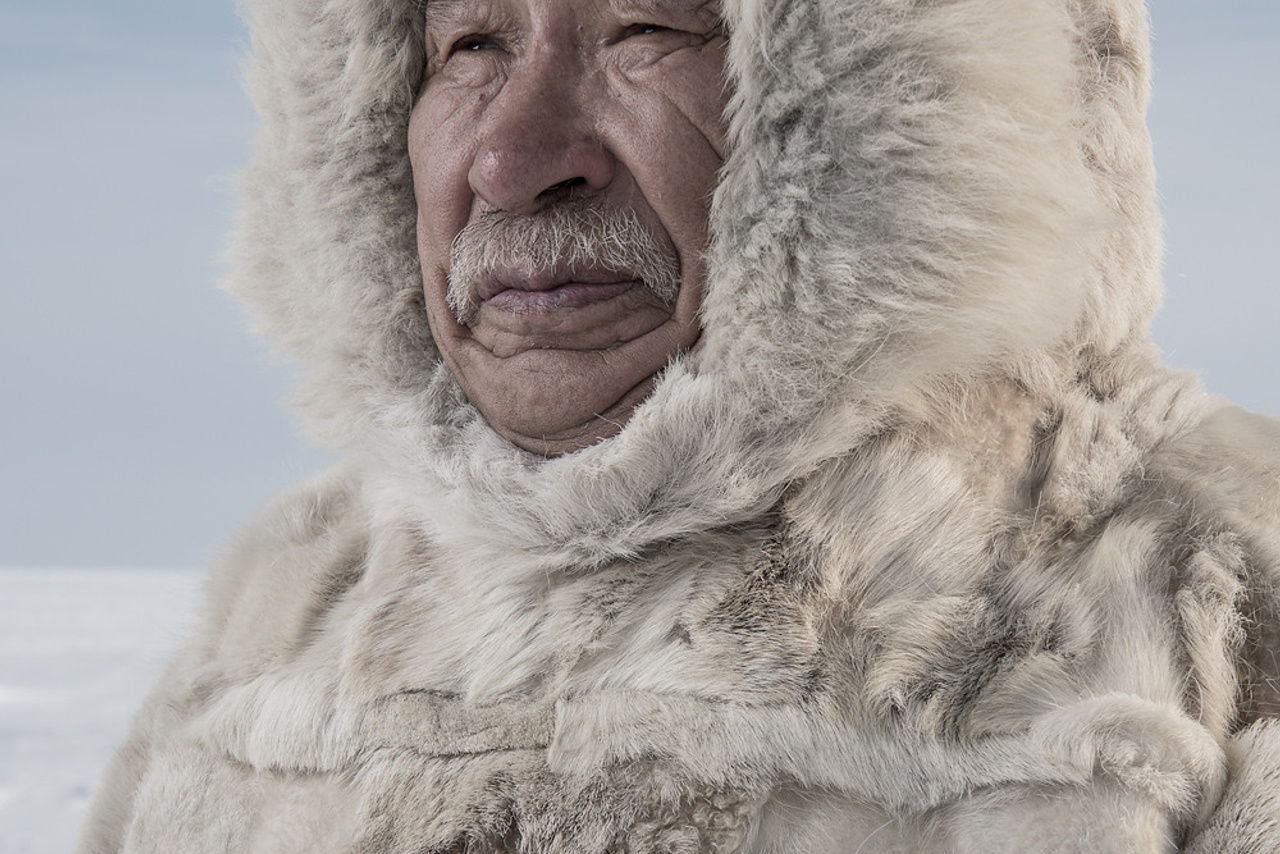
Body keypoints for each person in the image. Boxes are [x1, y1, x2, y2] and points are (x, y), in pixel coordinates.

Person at [76, 0, 1280, 849]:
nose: (512, 156)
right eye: (469, 42)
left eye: (647, 27)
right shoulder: (285, 611)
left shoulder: (1218, 595)